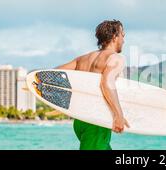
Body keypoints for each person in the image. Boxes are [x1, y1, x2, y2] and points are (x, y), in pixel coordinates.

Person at [55, 19, 130, 150]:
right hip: (96, 121)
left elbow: (54, 74)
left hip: (80, 121)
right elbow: (107, 83)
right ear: (114, 36)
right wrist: (118, 115)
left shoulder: (82, 59)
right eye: (122, 35)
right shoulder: (115, 58)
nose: (124, 39)